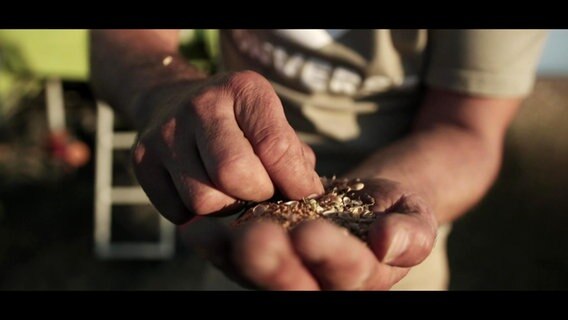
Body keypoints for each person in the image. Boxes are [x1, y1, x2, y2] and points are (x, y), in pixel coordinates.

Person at [90, 29, 547, 290]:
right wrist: (164, 91)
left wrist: (368, 209)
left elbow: (466, 128)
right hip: (237, 216)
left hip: (404, 228)